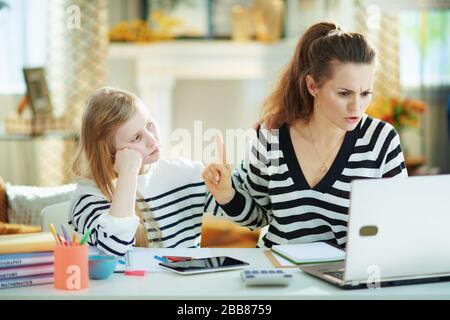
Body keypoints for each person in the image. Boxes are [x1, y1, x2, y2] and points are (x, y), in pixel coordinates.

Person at [202, 22, 408, 249]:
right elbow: (257, 218)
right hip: (280, 272)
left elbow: (397, 224)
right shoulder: (272, 136)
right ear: (313, 86)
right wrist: (227, 194)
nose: (356, 106)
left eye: (365, 93)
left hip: (343, 276)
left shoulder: (381, 140)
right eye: (343, 93)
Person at [69, 87, 222, 256]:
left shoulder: (185, 174)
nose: (152, 140)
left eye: (149, 125)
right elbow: (115, 248)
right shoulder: (88, 198)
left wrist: (227, 187)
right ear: (109, 152)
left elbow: (247, 216)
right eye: (136, 138)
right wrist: (128, 172)